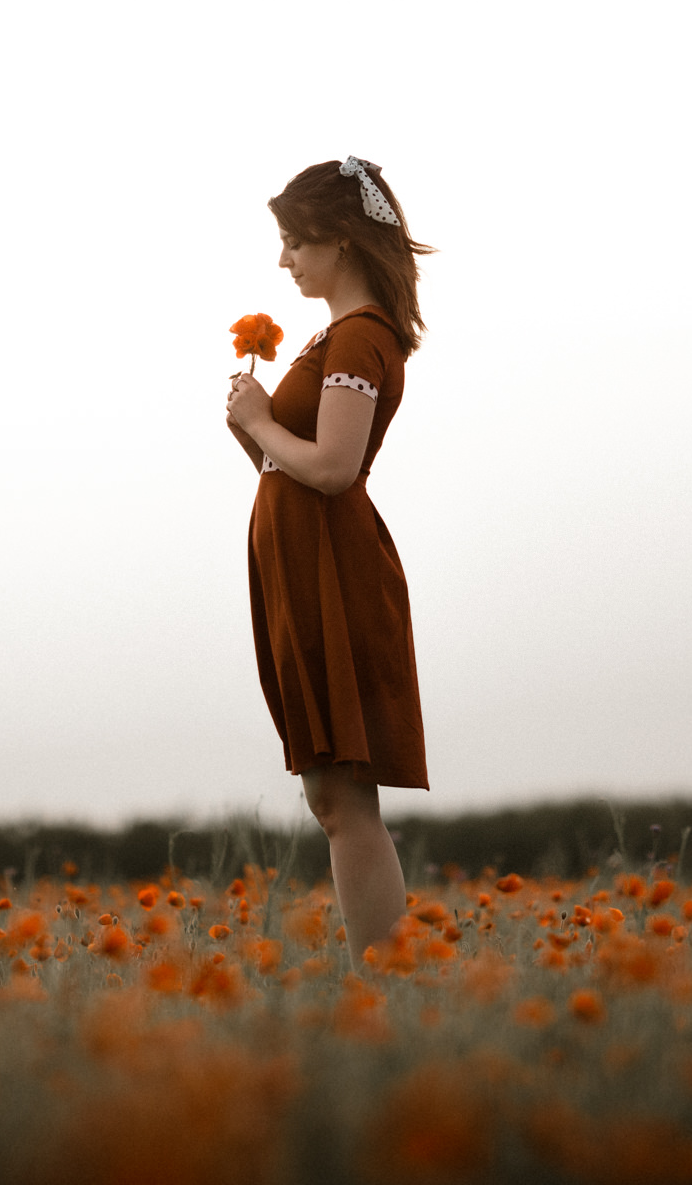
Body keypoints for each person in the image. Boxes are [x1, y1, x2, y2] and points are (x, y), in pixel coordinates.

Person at [224, 156, 435, 960]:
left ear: (341, 240)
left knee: (345, 795)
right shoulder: (338, 335)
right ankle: (386, 977)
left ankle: (390, 977)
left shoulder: (360, 336)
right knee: (331, 795)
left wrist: (263, 421)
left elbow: (336, 469)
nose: (284, 260)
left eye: (294, 241)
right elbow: (294, 472)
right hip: (304, 558)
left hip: (332, 566)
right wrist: (258, 436)